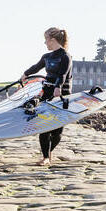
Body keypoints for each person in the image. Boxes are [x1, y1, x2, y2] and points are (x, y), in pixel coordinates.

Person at [20, 27, 72, 166]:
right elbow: (36, 67)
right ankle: (45, 157)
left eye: (46, 40)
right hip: (47, 93)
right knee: (44, 126)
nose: (45, 43)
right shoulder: (47, 57)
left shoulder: (65, 56)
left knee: (57, 130)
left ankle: (49, 153)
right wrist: (25, 75)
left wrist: (58, 87)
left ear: (53, 40)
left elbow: (62, 74)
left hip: (62, 96)